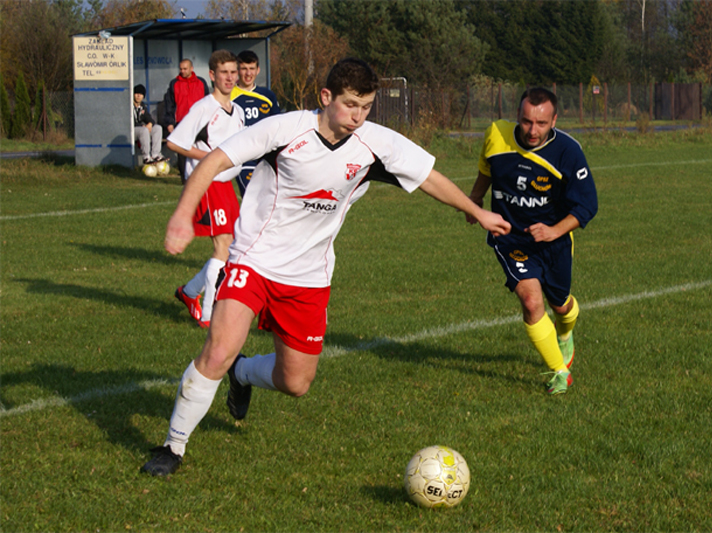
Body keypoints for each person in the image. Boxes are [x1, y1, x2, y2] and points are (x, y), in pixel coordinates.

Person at [140, 58, 511, 476]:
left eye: (367, 106)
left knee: (295, 382)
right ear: (326, 97)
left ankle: (243, 373)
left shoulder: (375, 143)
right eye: (351, 104)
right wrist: (181, 215)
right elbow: (213, 162)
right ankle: (173, 447)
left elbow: (428, 177)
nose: (358, 116)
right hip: (254, 259)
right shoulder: (284, 130)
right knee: (218, 349)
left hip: (309, 275)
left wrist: (476, 212)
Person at [466, 87, 597, 396]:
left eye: (540, 123)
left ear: (554, 120)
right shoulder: (497, 134)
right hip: (509, 237)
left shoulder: (568, 151)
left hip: (554, 241)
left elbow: (587, 205)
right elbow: (487, 168)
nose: (532, 131)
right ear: (518, 117)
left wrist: (554, 231)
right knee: (531, 301)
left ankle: (565, 335)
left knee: (560, 305)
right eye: (526, 122)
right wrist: (474, 199)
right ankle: (559, 373)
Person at [167, 50, 245, 329]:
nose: (230, 77)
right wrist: (209, 159)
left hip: (226, 185)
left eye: (233, 72)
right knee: (223, 246)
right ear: (212, 75)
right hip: (208, 183)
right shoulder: (203, 107)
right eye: (224, 72)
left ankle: (189, 293)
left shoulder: (237, 111)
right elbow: (174, 142)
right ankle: (210, 317)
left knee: (232, 248)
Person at [230, 50, 281, 196]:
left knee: (269, 200)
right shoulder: (229, 96)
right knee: (251, 198)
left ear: (258, 70)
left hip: (266, 156)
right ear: (238, 70)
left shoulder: (268, 96)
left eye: (252, 69)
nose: (248, 73)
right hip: (243, 157)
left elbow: (278, 125)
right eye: (244, 69)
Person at [163, 58, 210, 183]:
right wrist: (169, 123)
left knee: (207, 147)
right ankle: (185, 179)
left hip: (201, 122)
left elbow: (208, 102)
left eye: (185, 69)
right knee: (182, 150)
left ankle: (209, 173)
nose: (182, 71)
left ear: (191, 69)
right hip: (182, 123)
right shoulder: (174, 84)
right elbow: (170, 105)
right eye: (181, 69)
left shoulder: (201, 82)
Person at [132, 84, 165, 164]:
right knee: (144, 130)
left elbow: (149, 118)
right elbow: (129, 121)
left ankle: (155, 155)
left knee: (157, 128)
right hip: (131, 131)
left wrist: (150, 123)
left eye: (141, 94)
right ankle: (146, 157)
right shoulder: (129, 106)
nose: (138, 96)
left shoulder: (142, 106)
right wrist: (142, 126)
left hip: (141, 130)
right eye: (136, 93)